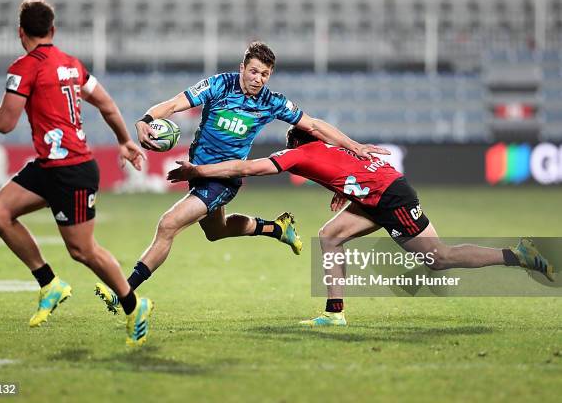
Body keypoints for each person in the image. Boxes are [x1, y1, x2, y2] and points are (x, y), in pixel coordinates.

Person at [94, 41, 389, 313]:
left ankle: (123, 292)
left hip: (224, 178)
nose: (258, 79)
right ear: (242, 69)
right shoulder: (219, 85)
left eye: (264, 74)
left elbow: (313, 125)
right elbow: (173, 105)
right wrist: (146, 119)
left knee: (169, 223)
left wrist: (353, 145)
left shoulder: (272, 102)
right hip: (200, 173)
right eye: (253, 71)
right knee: (216, 231)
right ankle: (276, 229)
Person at [167, 126, 555, 326]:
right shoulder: (333, 146)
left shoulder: (299, 152)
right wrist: (349, 195)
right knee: (329, 235)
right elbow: (353, 173)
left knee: (439, 258)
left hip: (390, 199)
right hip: (381, 192)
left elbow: (248, 167)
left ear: (295, 139)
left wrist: (197, 169)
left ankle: (518, 254)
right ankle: (335, 312)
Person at [0, 0, 152, 346]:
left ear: (20, 33)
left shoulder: (24, 67)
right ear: (52, 31)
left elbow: (4, 122)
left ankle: (135, 305)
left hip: (71, 171)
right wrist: (123, 139)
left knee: (83, 251)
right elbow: (106, 103)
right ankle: (50, 283)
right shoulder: (72, 66)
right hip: (50, 166)